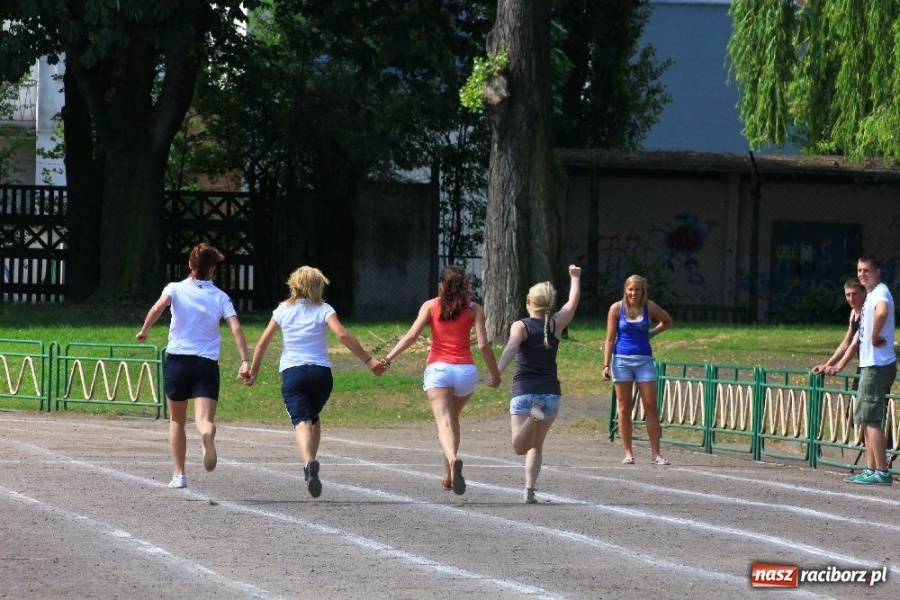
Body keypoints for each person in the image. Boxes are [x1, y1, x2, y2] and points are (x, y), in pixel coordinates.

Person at [243, 266, 382, 498]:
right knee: (313, 418)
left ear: (294, 286)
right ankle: (312, 462)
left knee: (302, 422)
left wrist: (254, 371)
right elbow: (342, 335)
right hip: (321, 375)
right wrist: (368, 360)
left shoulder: (283, 310)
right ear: (318, 287)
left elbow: (261, 344)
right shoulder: (324, 309)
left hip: (294, 373)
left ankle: (308, 464)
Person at [136, 243, 250, 489]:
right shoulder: (220, 297)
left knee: (177, 420)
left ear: (190, 264)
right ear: (213, 269)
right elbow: (236, 327)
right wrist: (244, 360)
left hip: (178, 360)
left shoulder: (175, 288)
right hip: (206, 363)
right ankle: (206, 433)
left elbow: (158, 307)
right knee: (203, 420)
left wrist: (145, 330)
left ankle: (179, 475)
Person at [380, 265, 501, 495]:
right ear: (465, 285)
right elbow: (483, 346)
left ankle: (453, 459)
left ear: (442, 284)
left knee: (444, 423)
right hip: (465, 372)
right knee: (453, 419)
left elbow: (411, 336)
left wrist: (387, 360)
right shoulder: (475, 309)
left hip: (438, 370)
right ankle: (449, 476)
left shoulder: (430, 305)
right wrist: (495, 375)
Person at [496, 265, 581, 503]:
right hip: (551, 394)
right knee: (536, 445)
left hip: (524, 392)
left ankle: (533, 418)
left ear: (528, 301)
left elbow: (512, 347)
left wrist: (497, 372)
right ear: (549, 304)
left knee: (519, 447)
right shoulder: (555, 324)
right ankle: (529, 490)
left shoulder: (520, 325)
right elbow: (572, 303)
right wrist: (575, 277)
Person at [603, 274, 673, 466]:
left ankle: (656, 454)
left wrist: (652, 333)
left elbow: (667, 320)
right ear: (625, 290)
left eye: (637, 290)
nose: (634, 293)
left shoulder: (649, 307)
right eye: (631, 289)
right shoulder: (616, 308)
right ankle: (628, 453)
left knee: (650, 406)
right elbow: (609, 339)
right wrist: (606, 365)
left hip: (644, 361)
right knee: (624, 407)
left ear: (643, 292)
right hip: (621, 361)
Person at [844, 256, 895, 486]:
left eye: (866, 270)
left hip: (877, 365)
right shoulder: (870, 295)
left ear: (877, 271)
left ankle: (882, 471)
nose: (862, 274)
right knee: (865, 417)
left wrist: (875, 336)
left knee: (872, 419)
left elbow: (882, 312)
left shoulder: (881, 292)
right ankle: (871, 468)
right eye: (859, 270)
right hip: (869, 364)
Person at [812, 278, 866, 381]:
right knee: (855, 391)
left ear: (864, 293)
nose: (851, 298)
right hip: (863, 363)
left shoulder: (868, 312)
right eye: (848, 295)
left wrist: (838, 367)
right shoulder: (853, 313)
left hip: (876, 365)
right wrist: (827, 365)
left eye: (854, 294)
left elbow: (854, 344)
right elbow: (846, 343)